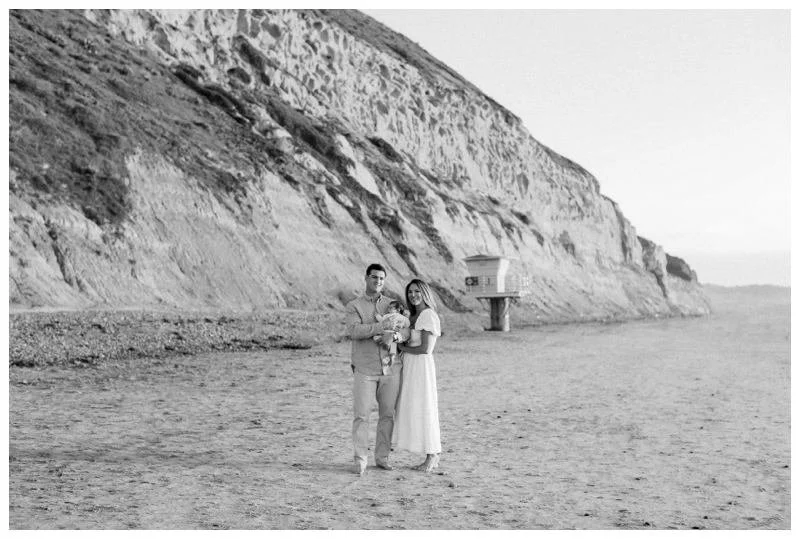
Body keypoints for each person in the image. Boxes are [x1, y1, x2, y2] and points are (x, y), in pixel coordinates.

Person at [345, 263, 403, 475]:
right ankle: (360, 459)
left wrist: (395, 335)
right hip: (365, 369)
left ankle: (382, 457)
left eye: (381, 278)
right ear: (366, 278)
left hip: (390, 369)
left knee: (388, 415)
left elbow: (405, 330)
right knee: (361, 415)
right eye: (374, 277)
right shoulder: (354, 306)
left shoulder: (393, 305)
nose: (378, 281)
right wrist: (380, 328)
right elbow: (354, 331)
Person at [392, 279, 442, 472]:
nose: (413, 295)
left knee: (425, 406)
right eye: (410, 292)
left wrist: (400, 347)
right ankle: (428, 454)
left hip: (421, 366)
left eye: (417, 291)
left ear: (425, 293)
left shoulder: (428, 315)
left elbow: (425, 348)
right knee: (412, 406)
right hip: (410, 365)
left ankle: (433, 455)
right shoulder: (413, 316)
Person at [373, 300, 411, 375]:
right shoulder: (386, 316)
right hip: (386, 332)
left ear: (398, 310)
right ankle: (387, 357)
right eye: (388, 308)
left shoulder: (400, 316)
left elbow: (407, 323)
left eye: (391, 308)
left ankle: (392, 359)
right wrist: (377, 316)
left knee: (393, 346)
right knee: (376, 338)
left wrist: (401, 325)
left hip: (394, 334)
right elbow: (381, 320)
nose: (389, 309)